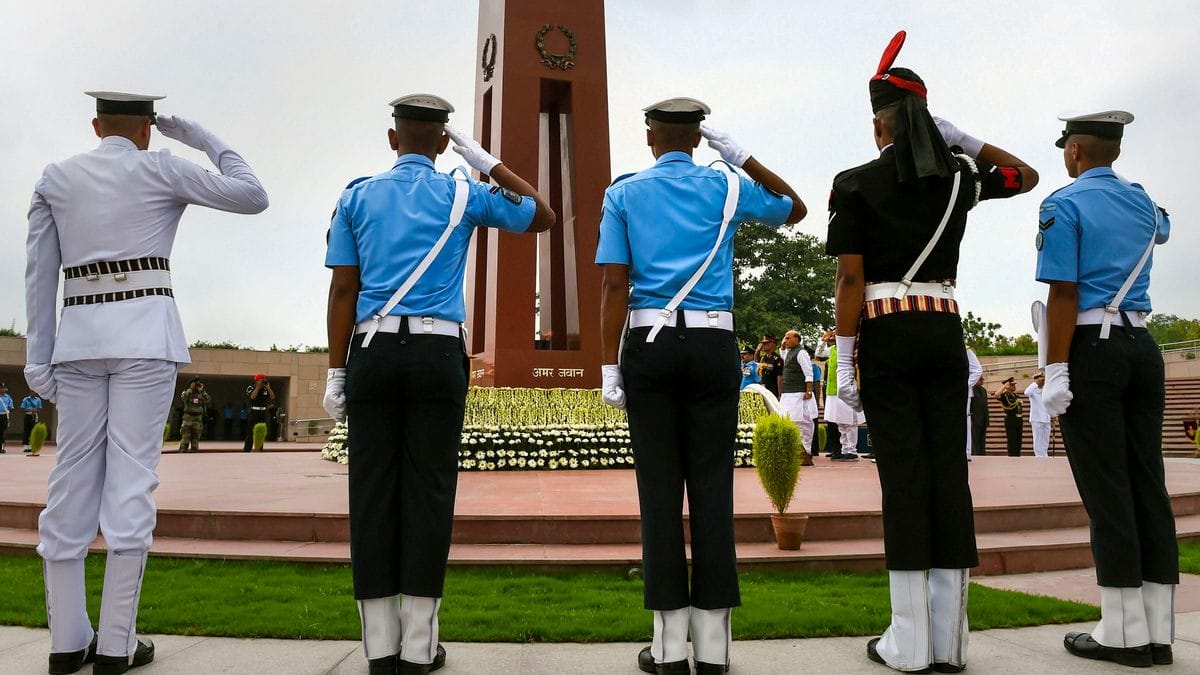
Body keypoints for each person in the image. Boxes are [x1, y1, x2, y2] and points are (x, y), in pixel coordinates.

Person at [25, 91, 267, 674]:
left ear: (95, 123)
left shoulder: (57, 177)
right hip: (144, 339)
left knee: (69, 485)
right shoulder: (160, 164)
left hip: (78, 341)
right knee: (130, 483)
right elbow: (252, 194)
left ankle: (66, 643)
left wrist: (40, 360)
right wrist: (199, 135)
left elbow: (39, 273)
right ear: (147, 127)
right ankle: (115, 645)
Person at [825, 32, 1037, 673]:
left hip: (887, 335)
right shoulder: (960, 179)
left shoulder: (855, 183)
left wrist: (843, 359)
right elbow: (1024, 175)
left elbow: (850, 281)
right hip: (945, 332)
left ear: (881, 122)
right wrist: (962, 139)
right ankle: (950, 641)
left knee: (904, 479)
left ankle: (908, 640)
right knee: (949, 477)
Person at [323, 93, 554, 674]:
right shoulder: (464, 192)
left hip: (373, 350)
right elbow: (541, 214)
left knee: (372, 492)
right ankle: (422, 646)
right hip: (435, 353)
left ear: (393, 138)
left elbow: (342, 292)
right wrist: (487, 163)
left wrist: (335, 370)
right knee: (429, 493)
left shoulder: (357, 196)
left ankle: (379, 647)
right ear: (444, 140)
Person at [597, 97, 805, 674]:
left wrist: (608, 367)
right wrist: (746, 158)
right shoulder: (728, 187)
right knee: (713, 491)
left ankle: (666, 649)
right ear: (699, 138)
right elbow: (796, 209)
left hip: (650, 344)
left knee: (659, 494)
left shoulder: (624, 194)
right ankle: (714, 649)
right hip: (715, 345)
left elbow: (615, 287)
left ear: (650, 137)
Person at [1036, 110, 1177, 667]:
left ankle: (1121, 633)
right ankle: (1158, 629)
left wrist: (1055, 369)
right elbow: (1163, 229)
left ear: (1075, 151)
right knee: (1148, 483)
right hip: (1144, 348)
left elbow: (1063, 294)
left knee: (1107, 490)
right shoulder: (1142, 199)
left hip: (1092, 347)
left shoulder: (1062, 204)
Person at [822, 330, 863, 461]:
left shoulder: (851, 349)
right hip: (833, 391)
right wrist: (823, 340)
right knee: (841, 422)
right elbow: (819, 353)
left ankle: (851, 450)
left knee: (850, 423)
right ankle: (845, 449)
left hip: (848, 388)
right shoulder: (832, 349)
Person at [779, 331, 816, 466]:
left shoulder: (801, 353)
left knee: (803, 422)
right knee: (789, 421)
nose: (785, 340)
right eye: (785, 338)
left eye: (788, 338)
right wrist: (783, 347)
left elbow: (808, 372)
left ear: (797, 339)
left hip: (799, 394)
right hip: (787, 393)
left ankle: (806, 451)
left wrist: (809, 390)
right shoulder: (789, 352)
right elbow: (784, 358)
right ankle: (795, 452)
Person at [243, 373, 275, 452]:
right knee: (250, 431)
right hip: (254, 411)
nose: (263, 381)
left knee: (261, 431)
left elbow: (272, 397)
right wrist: (258, 386)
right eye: (261, 379)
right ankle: (247, 449)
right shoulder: (251, 387)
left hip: (262, 412)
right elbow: (252, 396)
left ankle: (259, 449)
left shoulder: (265, 389)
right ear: (257, 380)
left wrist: (268, 387)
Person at [177, 377, 209, 453]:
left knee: (196, 435)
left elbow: (208, 399)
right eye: (195, 384)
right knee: (185, 435)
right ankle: (183, 449)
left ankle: (194, 449)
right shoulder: (187, 392)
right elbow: (183, 398)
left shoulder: (201, 394)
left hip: (198, 418)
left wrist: (202, 391)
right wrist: (191, 389)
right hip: (188, 417)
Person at [994, 377, 1023, 457]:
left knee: (1018, 439)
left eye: (1014, 384)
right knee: (1012, 439)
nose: (1014, 386)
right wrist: (1004, 387)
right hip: (1011, 418)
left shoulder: (1016, 395)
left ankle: (1017, 455)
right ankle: (1012, 456)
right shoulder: (1004, 395)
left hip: (1019, 419)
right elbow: (996, 395)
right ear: (1007, 386)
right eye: (1012, 385)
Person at [1024, 373, 1051, 458]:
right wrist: (1035, 383)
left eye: (1043, 380)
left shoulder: (1046, 390)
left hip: (1046, 418)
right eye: (1041, 380)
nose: (1043, 382)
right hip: (1037, 418)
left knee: (1045, 439)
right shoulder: (1033, 391)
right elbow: (1026, 392)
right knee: (1037, 439)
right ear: (1036, 380)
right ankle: (1039, 456)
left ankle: (1044, 454)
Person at [964, 345, 983, 458]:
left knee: (964, 421)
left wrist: (963, 386)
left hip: (962, 393)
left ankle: (966, 453)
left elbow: (977, 370)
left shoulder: (965, 349)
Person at [969, 381, 989, 457]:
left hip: (983, 419)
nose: (982, 381)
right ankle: (976, 455)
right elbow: (970, 405)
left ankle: (982, 454)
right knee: (975, 439)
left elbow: (985, 405)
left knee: (982, 439)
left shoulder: (983, 390)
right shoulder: (971, 389)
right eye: (980, 379)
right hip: (975, 419)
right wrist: (970, 418)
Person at [0, 383, 13, 453]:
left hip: (4, 415)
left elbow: (11, 407)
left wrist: (9, 409)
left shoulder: (8, 397)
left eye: (3, 388)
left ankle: (1, 447)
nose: (2, 389)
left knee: (3, 432)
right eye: (1, 388)